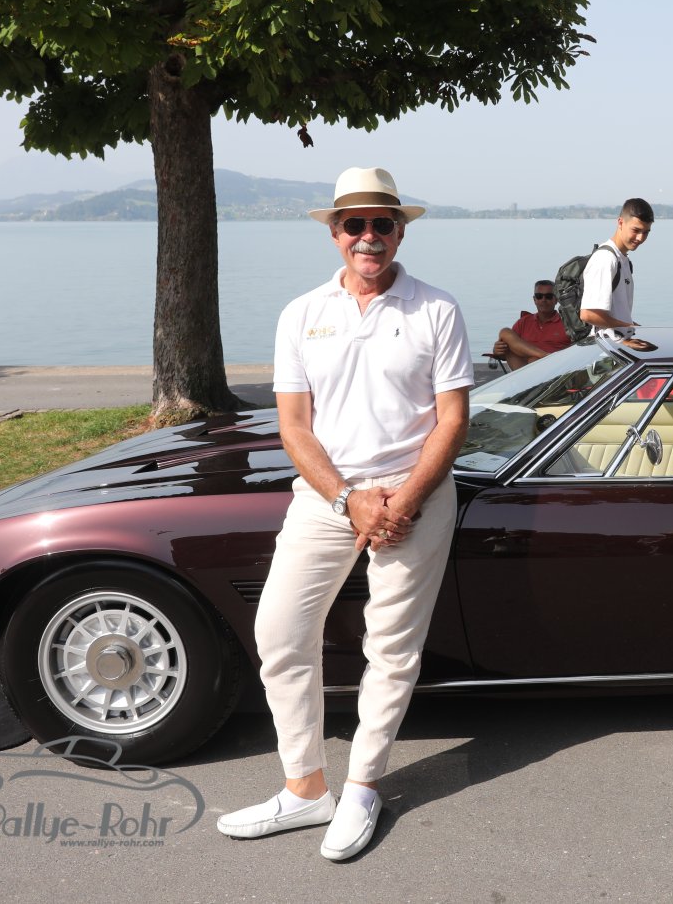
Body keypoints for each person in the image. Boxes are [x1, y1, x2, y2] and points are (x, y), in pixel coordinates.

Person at [216, 166, 473, 862]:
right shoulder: (301, 314)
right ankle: (305, 788)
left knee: (390, 645)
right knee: (279, 631)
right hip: (328, 496)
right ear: (334, 233)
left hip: (415, 495)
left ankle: (362, 786)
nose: (368, 236)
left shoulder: (436, 309)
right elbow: (294, 427)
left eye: (381, 223)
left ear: (400, 232)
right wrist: (346, 498)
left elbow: (453, 420)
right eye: (354, 224)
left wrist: (404, 499)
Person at [580, 198, 654, 339]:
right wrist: (628, 327)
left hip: (620, 344)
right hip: (605, 347)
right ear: (620, 222)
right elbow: (588, 314)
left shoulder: (623, 259)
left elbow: (618, 314)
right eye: (636, 230)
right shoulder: (606, 259)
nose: (640, 238)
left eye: (646, 232)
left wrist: (633, 328)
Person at [490, 279, 570, 368]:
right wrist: (497, 351)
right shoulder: (523, 322)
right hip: (523, 368)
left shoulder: (567, 323)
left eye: (549, 296)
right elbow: (507, 352)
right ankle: (545, 356)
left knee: (534, 360)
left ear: (556, 300)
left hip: (556, 369)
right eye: (539, 296)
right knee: (504, 332)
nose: (543, 300)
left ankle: (544, 358)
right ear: (534, 300)